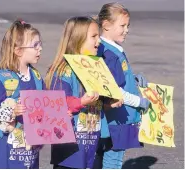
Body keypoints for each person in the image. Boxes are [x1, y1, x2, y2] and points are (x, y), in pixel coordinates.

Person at [45, 16, 123, 169]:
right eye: (93, 36)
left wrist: (109, 102)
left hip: (91, 142)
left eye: (98, 36)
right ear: (77, 40)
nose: (98, 41)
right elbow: (56, 105)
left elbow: (98, 103)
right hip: (69, 149)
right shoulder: (64, 70)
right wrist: (81, 102)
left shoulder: (95, 67)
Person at [95, 3, 150, 169]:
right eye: (122, 26)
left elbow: (117, 76)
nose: (126, 30)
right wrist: (139, 102)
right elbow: (114, 89)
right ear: (106, 25)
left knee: (103, 155)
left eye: (128, 26)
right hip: (118, 117)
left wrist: (132, 79)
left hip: (116, 117)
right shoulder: (109, 53)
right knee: (114, 159)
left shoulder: (110, 48)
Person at [0, 19, 44, 168]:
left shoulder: (36, 77)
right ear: (18, 51)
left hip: (30, 149)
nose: (40, 48)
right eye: (35, 45)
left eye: (40, 44)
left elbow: (44, 105)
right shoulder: (2, 78)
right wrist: (12, 111)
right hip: (6, 149)